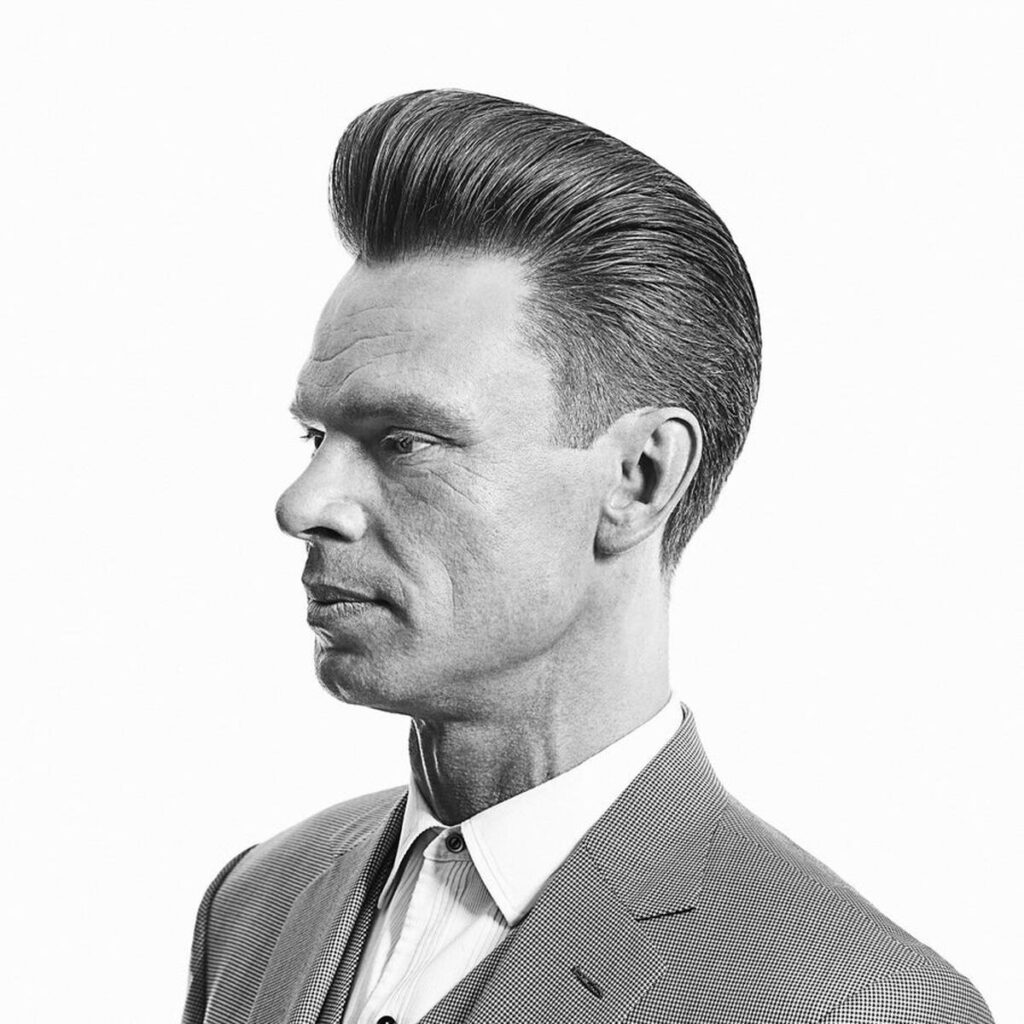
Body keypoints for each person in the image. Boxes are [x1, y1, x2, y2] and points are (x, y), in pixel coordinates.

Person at [182, 89, 992, 1024]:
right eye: (315, 438)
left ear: (640, 479)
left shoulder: (850, 1003)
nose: (303, 505)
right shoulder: (257, 901)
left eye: (404, 441)